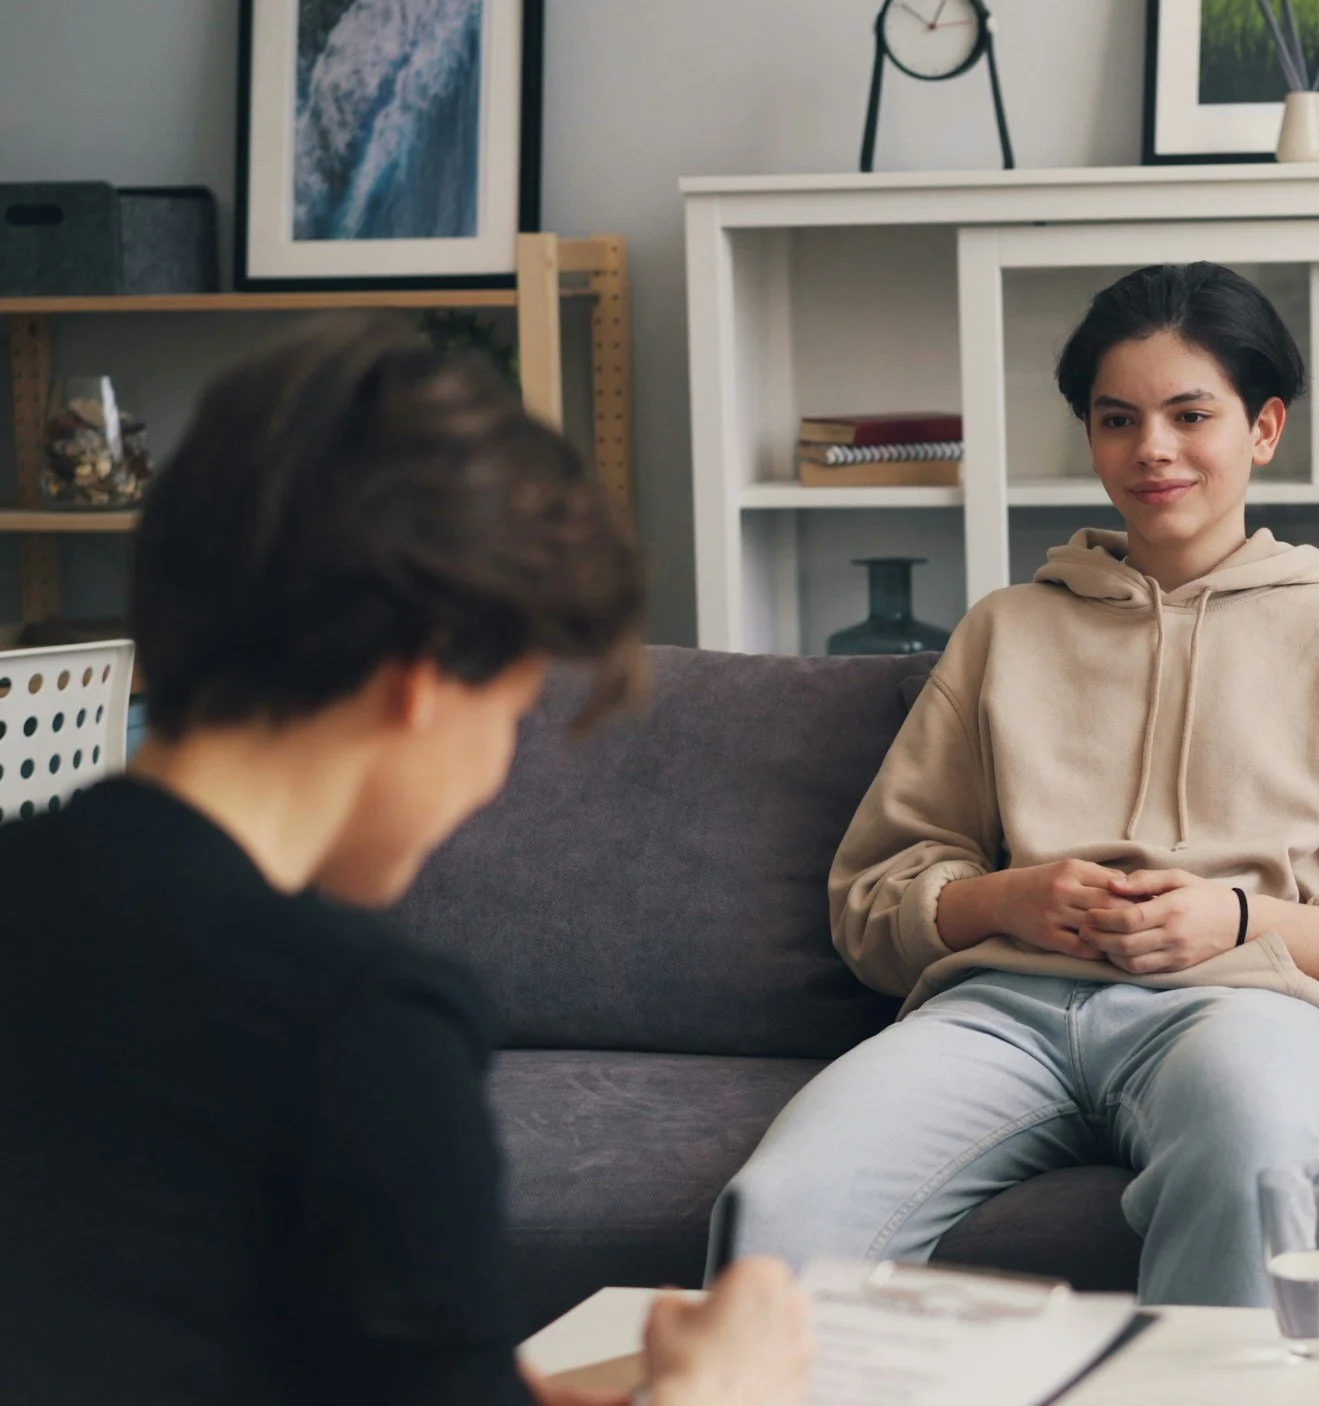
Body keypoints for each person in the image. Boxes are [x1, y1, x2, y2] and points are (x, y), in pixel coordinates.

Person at [0, 316, 811, 1406]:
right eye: (516, 713)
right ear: (424, 675)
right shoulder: (358, 1016)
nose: (490, 780)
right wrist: (716, 1386)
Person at [713, 262, 1319, 1306]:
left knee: (1253, 1160)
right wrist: (1009, 898)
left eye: (1191, 413)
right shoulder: (1005, 629)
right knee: (775, 1204)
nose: (1153, 450)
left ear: (1264, 427)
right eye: (1117, 419)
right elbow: (871, 895)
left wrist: (1236, 919)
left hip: (1245, 1010)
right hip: (1002, 1010)